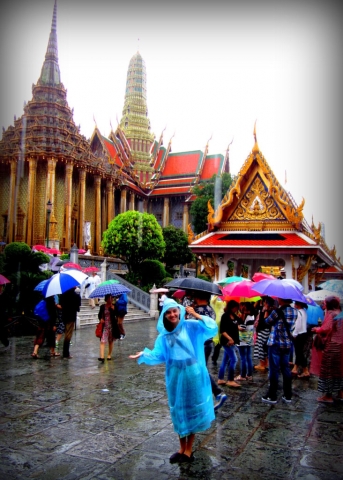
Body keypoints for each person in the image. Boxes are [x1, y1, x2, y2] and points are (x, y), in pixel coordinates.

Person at [129, 298, 217, 463]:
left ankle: (189, 449)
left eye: (174, 311)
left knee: (191, 409)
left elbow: (212, 327)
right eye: (168, 312)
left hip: (192, 373)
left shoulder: (190, 326)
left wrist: (196, 314)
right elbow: (159, 355)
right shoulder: (163, 336)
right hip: (175, 375)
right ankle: (181, 448)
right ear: (164, 315)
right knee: (177, 409)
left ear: (179, 311)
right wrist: (143, 354)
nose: (172, 314)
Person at [187, 291, 227, 411]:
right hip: (206, 344)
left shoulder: (200, 311)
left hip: (200, 345)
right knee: (199, 370)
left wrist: (193, 314)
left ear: (199, 297)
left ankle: (217, 393)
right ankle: (206, 395)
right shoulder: (209, 309)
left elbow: (204, 325)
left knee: (200, 370)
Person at [262, 297, 297, 404]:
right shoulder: (294, 311)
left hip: (275, 343)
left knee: (274, 369)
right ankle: (288, 395)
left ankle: (272, 395)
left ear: (281, 299)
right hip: (286, 344)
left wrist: (268, 310)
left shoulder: (277, 311)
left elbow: (267, 322)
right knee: (286, 369)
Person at [310, 296, 342, 403]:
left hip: (332, 346)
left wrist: (317, 330)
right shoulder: (339, 313)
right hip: (340, 346)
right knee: (339, 371)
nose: (323, 304)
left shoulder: (332, 314)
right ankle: (340, 392)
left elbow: (327, 328)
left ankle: (328, 396)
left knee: (328, 371)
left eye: (325, 303)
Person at [217, 299, 241, 388]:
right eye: (235, 307)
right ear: (231, 307)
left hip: (233, 341)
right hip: (227, 342)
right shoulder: (225, 316)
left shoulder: (234, 316)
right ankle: (230, 380)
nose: (236, 309)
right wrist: (230, 339)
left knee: (225, 360)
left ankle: (220, 378)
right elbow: (222, 330)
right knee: (234, 359)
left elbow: (236, 324)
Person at [59, 287, 81, 359]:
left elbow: (61, 305)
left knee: (66, 333)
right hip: (71, 317)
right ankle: (66, 353)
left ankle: (65, 352)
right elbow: (78, 308)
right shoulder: (76, 296)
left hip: (64, 316)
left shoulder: (63, 295)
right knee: (68, 335)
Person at [235, 302, 255, 381]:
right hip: (249, 340)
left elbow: (242, 328)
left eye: (244, 307)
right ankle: (249, 375)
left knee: (243, 358)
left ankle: (243, 375)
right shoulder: (252, 316)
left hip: (242, 340)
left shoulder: (247, 317)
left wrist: (236, 325)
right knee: (248, 358)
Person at [98, 294, 120, 362]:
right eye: (109, 298)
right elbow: (99, 315)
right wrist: (101, 319)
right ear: (106, 299)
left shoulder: (114, 306)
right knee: (102, 341)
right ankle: (101, 357)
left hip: (112, 326)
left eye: (112, 298)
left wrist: (114, 310)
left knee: (110, 341)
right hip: (105, 326)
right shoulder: (102, 307)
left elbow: (117, 315)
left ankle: (109, 355)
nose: (111, 300)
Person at [292, 301, 310, 378]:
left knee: (299, 353)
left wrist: (294, 333)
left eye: (295, 304)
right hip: (304, 333)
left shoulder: (299, 312)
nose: (294, 305)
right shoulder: (304, 312)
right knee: (299, 352)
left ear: (298, 304)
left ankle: (305, 370)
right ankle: (295, 368)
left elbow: (298, 324)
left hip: (299, 333)